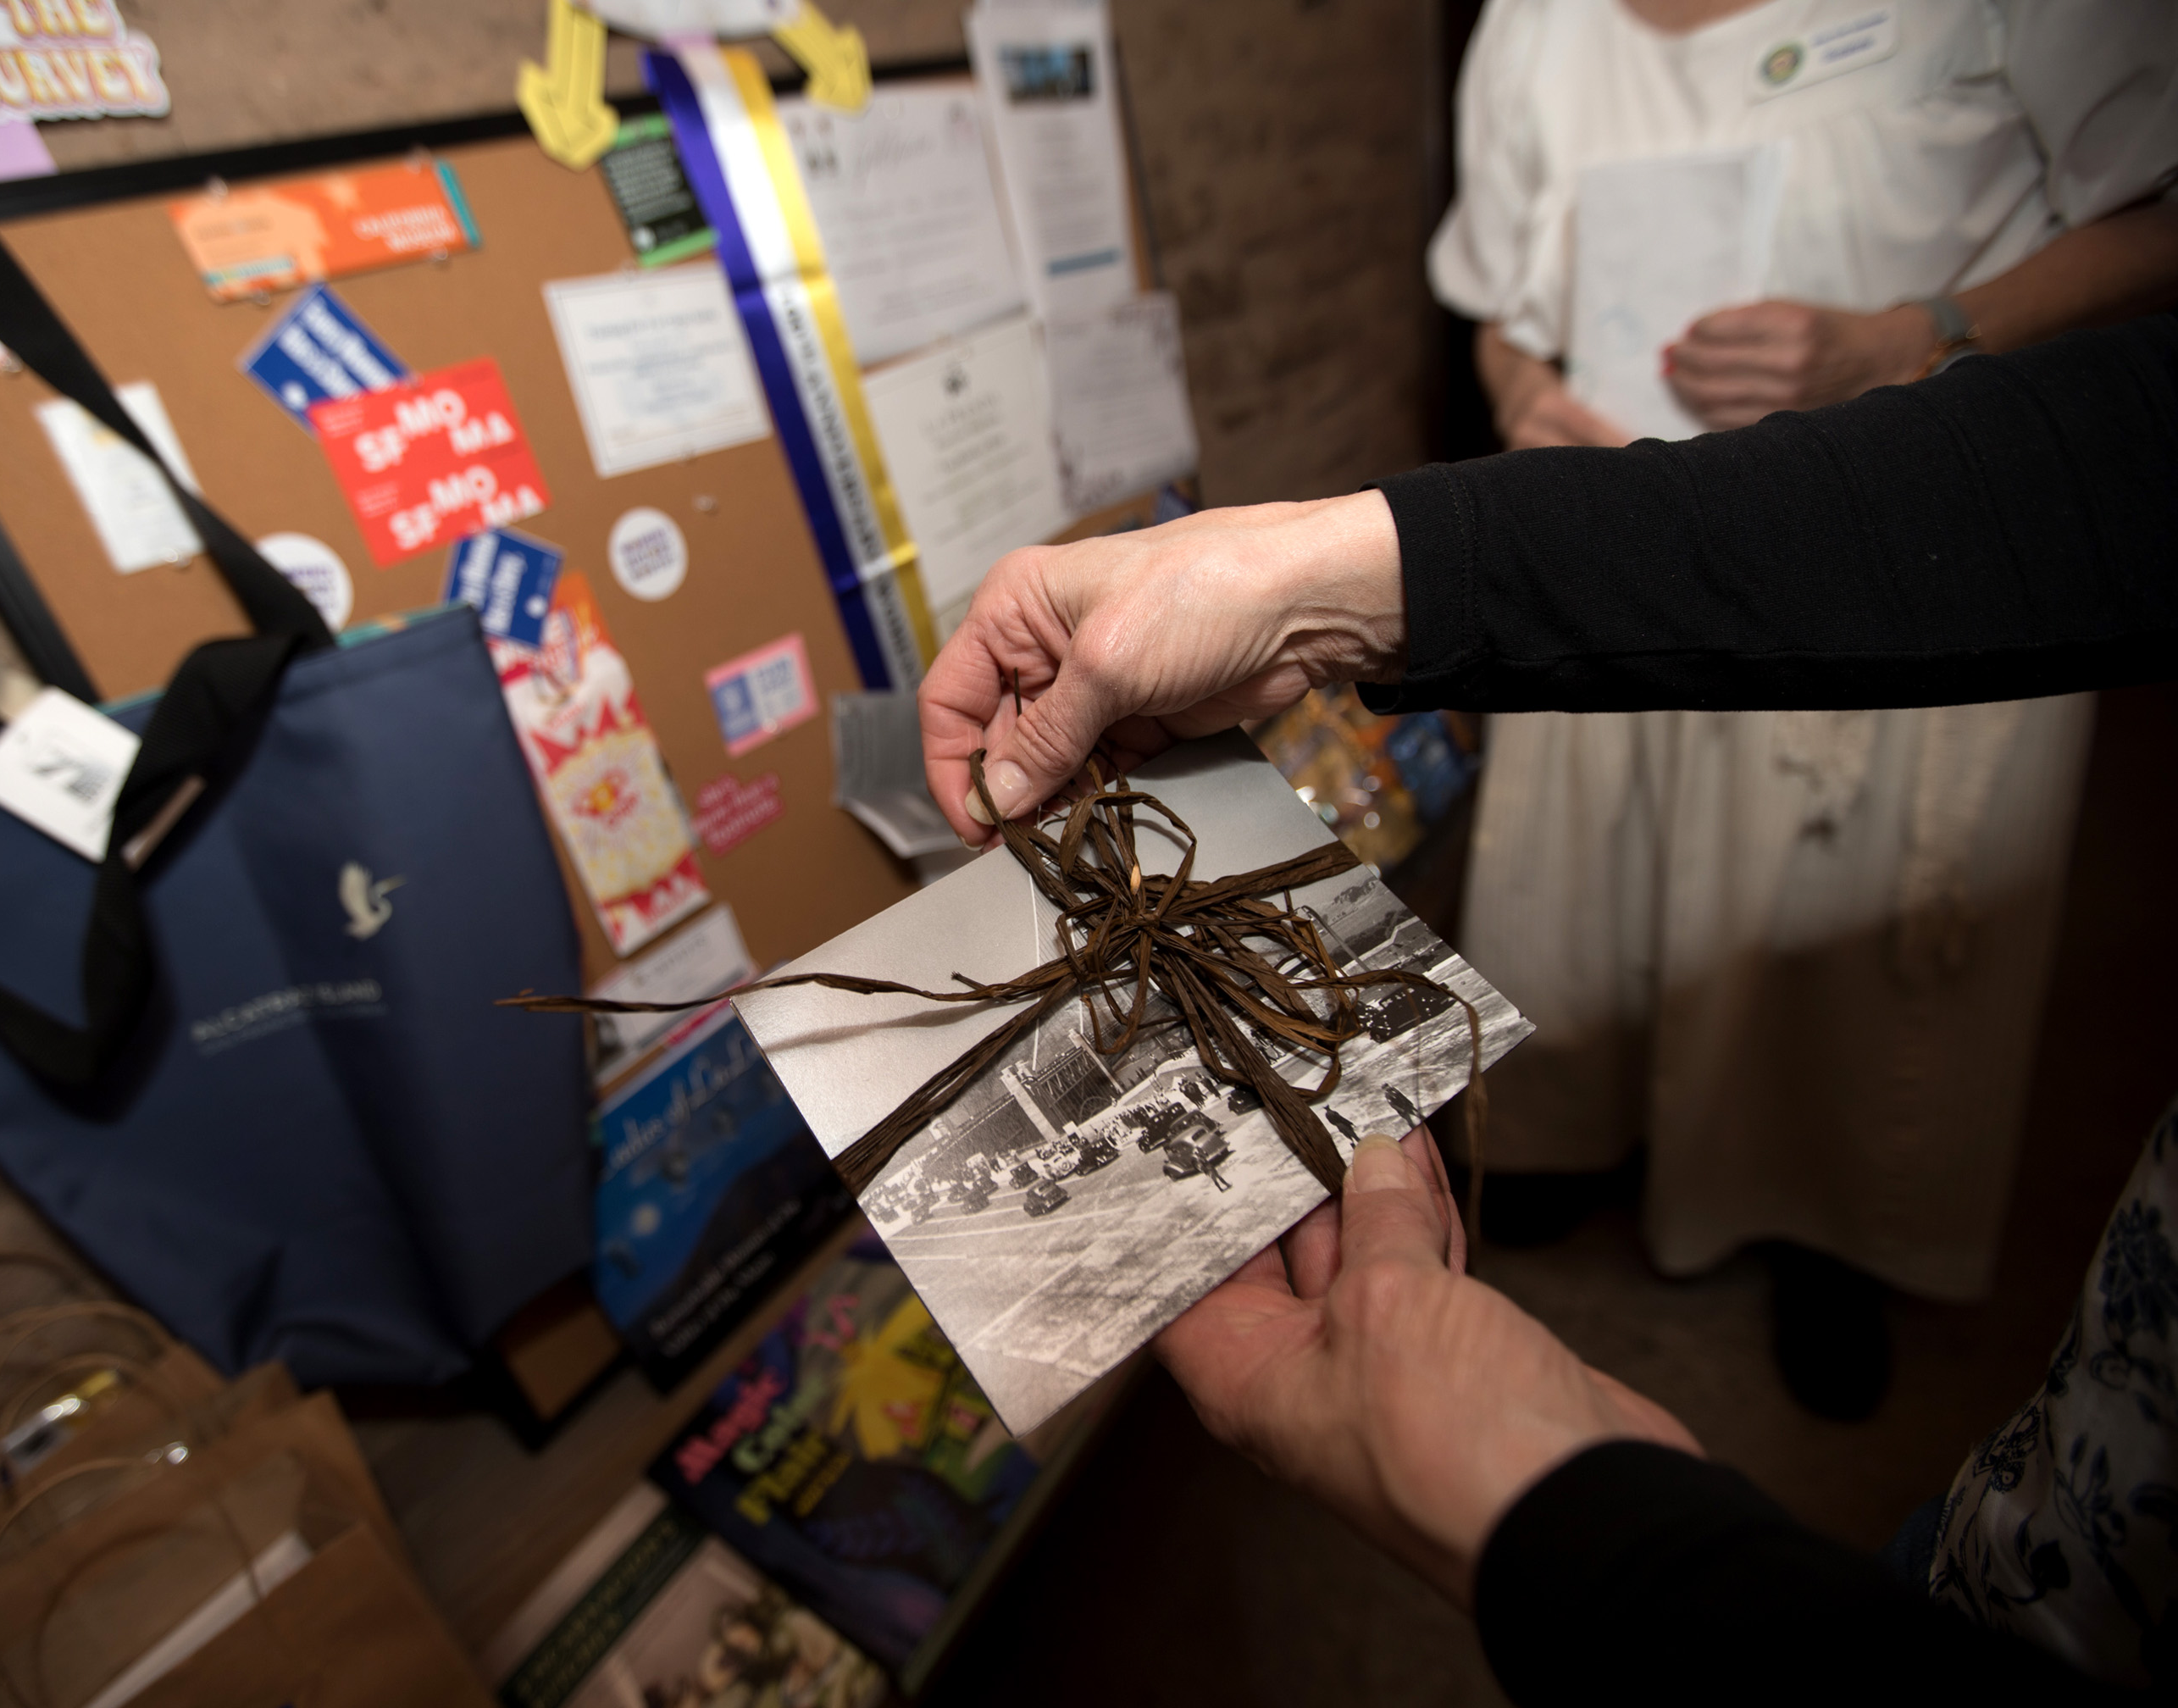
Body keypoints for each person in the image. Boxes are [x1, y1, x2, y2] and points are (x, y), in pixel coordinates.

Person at [917, 317, 2178, 1694]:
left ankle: (1808, 1226)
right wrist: (1312, 577)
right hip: (2032, 1523)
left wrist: (1557, 1514)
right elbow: (2083, 460)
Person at [1428, 0, 2178, 1417]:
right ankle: (1576, 1134)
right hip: (1609, 542)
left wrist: (1918, 336)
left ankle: (1817, 1222)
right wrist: (1522, 389)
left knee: (1841, 927)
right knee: (1596, 885)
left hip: (1904, 534)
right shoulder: (1532, 22)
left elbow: (2158, 213)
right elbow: (1494, 299)